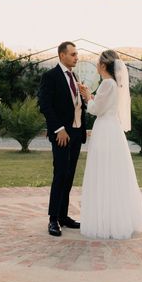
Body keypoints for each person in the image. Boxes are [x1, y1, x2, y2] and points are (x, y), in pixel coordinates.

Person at [79, 50, 142, 239]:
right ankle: (117, 218)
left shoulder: (106, 84)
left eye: (98, 63)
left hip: (104, 130)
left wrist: (87, 96)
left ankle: (105, 221)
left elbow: (95, 109)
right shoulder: (115, 85)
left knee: (102, 171)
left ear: (103, 65)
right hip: (113, 129)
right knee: (114, 172)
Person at [38, 41, 87, 237]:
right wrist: (59, 129)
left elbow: (74, 104)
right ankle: (52, 219)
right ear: (62, 55)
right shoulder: (50, 76)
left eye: (76, 54)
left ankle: (63, 216)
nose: (76, 57)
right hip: (61, 135)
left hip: (76, 133)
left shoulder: (74, 75)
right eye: (73, 54)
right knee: (59, 175)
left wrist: (82, 98)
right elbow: (45, 105)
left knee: (69, 176)